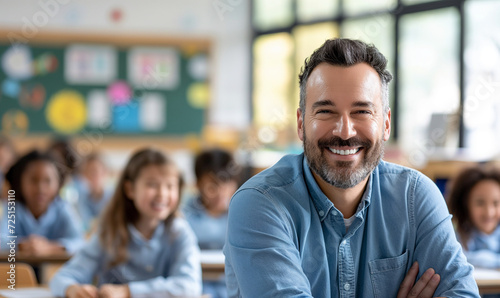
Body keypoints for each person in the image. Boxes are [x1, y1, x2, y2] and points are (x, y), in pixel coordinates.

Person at [223, 38, 479, 297]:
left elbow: (462, 292)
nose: (345, 131)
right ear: (301, 124)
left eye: (362, 112)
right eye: (325, 111)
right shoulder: (259, 204)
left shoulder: (415, 197)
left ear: (386, 123)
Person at [50, 148, 202, 298]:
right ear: (130, 189)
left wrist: (128, 291)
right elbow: (62, 278)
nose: (162, 194)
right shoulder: (109, 231)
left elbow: (189, 286)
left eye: (170, 186)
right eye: (152, 185)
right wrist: (71, 289)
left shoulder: (180, 232)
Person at [0, 150, 84, 255]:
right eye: (33, 180)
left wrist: (50, 248)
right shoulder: (10, 209)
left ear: (58, 184)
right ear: (20, 182)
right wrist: (21, 245)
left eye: (47, 181)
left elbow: (80, 242)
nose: (41, 189)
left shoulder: (63, 208)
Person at [183, 148, 240, 298]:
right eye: (212, 185)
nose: (221, 191)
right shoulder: (184, 216)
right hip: (196, 287)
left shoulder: (243, 214)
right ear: (197, 184)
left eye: (226, 182)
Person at [448, 166, 500, 269]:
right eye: (480, 203)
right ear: (465, 204)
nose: (489, 213)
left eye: (496, 203)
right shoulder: (455, 236)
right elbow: (459, 258)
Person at [74, 152, 113, 233]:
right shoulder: (81, 198)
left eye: (95, 171)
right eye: (88, 172)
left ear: (105, 172)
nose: (92, 176)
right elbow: (83, 224)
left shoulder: (114, 197)